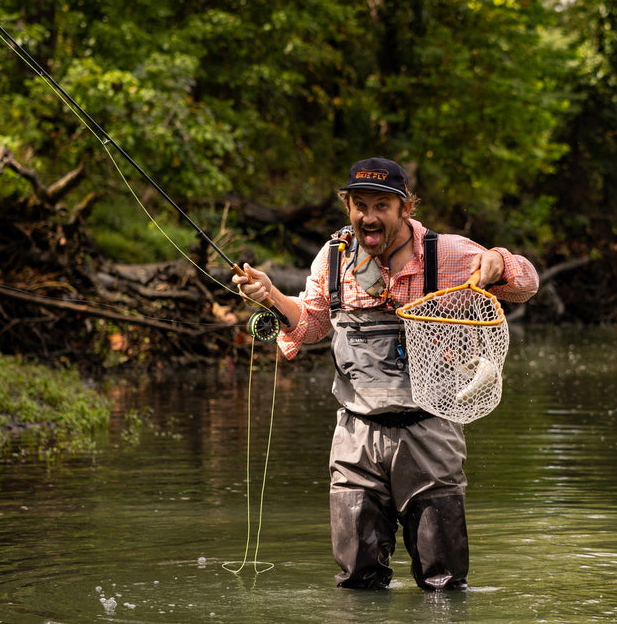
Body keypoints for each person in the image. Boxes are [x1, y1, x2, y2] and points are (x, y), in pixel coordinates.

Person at [231, 157, 538, 591]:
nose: (368, 217)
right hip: (355, 438)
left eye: (381, 206)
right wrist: (273, 295)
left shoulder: (446, 253)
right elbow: (312, 323)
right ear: (348, 206)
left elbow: (527, 283)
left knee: (443, 583)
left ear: (405, 208)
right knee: (357, 582)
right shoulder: (334, 258)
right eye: (359, 205)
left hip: (430, 434)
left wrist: (498, 262)